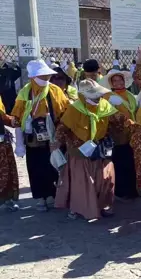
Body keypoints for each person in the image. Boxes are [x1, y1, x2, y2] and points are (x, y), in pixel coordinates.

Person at [53, 80, 126, 220]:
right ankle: (77, 209)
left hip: (100, 149)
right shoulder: (74, 109)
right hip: (80, 152)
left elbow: (120, 120)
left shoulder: (105, 106)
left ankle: (104, 205)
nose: (98, 98)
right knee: (81, 183)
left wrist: (132, 123)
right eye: (94, 95)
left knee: (105, 179)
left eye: (99, 95)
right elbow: (62, 129)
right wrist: (56, 143)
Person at [11, 60, 69, 212]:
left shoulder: (56, 90)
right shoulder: (24, 93)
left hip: (53, 135)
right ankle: (40, 197)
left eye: (47, 75)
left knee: (53, 166)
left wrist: (59, 135)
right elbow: (17, 118)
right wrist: (19, 143)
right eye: (42, 76)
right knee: (36, 166)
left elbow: (65, 112)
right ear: (32, 77)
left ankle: (53, 194)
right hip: (33, 138)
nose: (45, 78)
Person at [99, 68, 139, 199]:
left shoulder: (130, 95)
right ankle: (121, 192)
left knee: (131, 162)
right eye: (114, 81)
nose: (118, 83)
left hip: (132, 133)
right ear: (111, 83)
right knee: (121, 163)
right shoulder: (107, 96)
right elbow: (107, 115)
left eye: (120, 79)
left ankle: (132, 190)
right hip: (118, 135)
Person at [0, 95, 19, 212]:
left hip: (2, 142)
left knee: (7, 172)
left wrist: (15, 120)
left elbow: (2, 117)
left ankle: (7, 200)